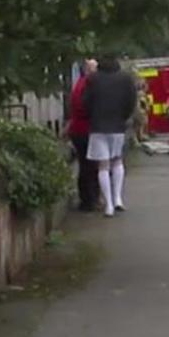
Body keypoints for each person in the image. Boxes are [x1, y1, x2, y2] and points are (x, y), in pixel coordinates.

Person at [82, 55, 140, 217]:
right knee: (117, 161)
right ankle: (118, 198)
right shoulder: (125, 79)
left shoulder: (93, 79)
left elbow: (86, 102)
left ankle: (108, 205)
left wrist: (92, 115)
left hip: (98, 126)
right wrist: (123, 117)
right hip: (118, 126)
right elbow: (131, 101)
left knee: (103, 165)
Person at [65, 59, 99, 211]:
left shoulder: (79, 84)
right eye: (94, 69)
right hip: (86, 130)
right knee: (90, 167)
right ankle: (89, 200)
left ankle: (88, 199)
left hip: (78, 130)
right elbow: (85, 107)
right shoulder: (88, 85)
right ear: (88, 70)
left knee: (85, 166)